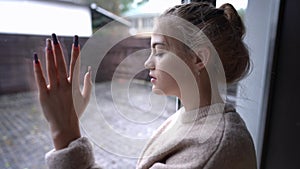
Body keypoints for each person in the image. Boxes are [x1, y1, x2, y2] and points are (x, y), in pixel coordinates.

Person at [33, 2, 257, 169]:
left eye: (159, 51)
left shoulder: (214, 149)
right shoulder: (192, 117)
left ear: (198, 59)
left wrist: (64, 131)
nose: (147, 62)